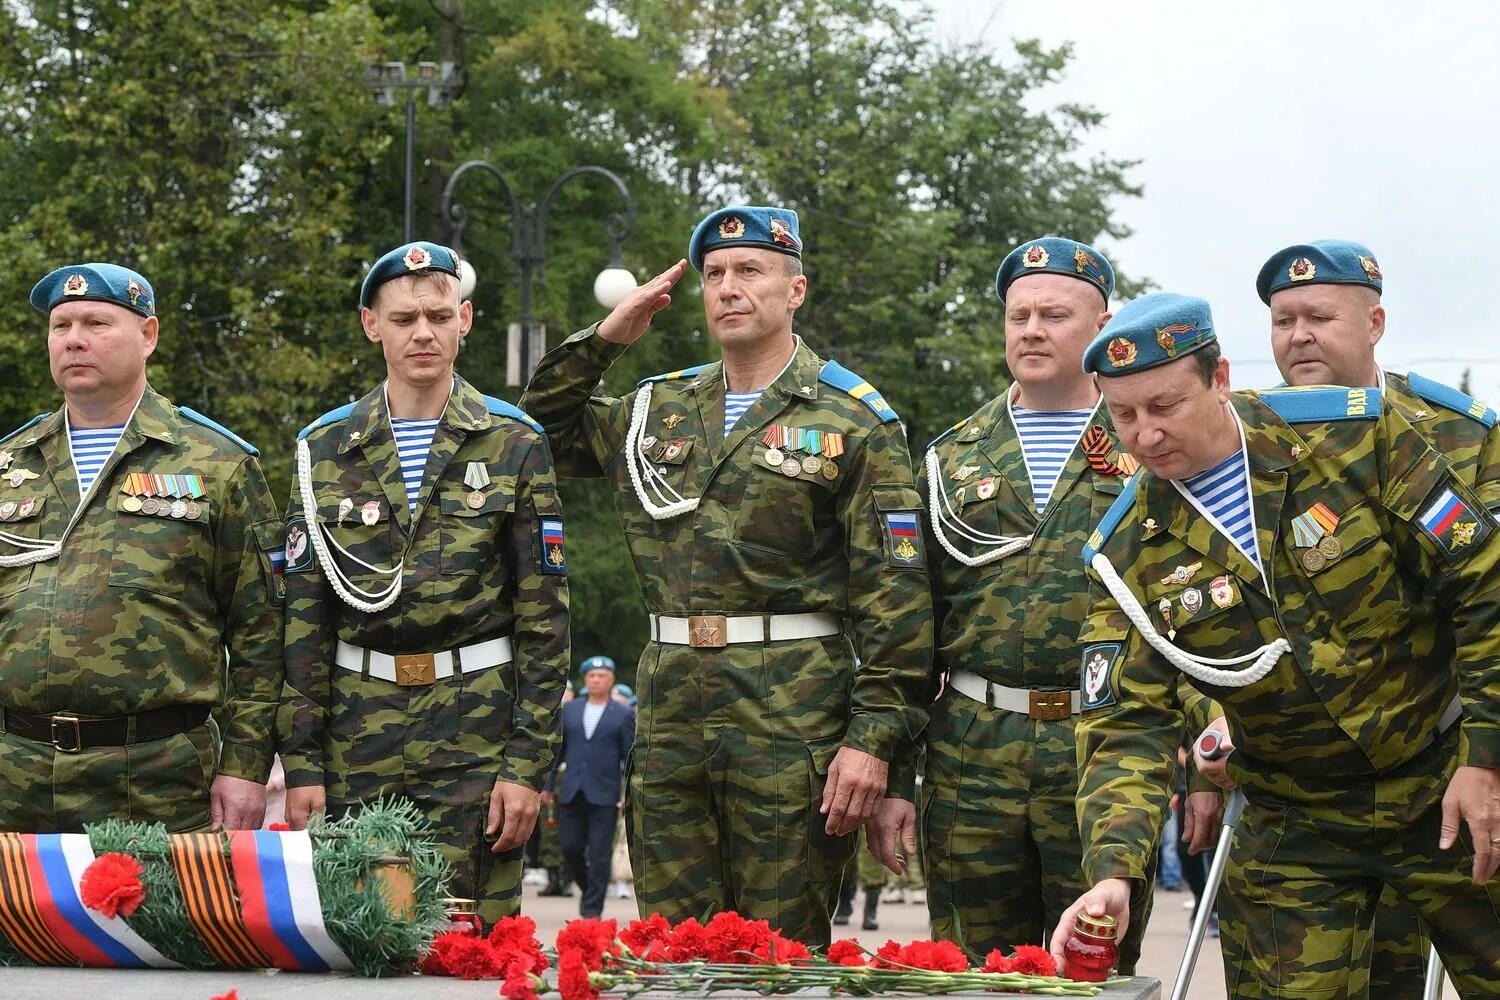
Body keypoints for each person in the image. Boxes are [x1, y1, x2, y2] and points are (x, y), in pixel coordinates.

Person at [1050, 292, 1500, 997]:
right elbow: (1123, 723)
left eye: (1164, 405)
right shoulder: (1127, 549)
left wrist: (1487, 758)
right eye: (1124, 414)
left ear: (1220, 377)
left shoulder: (1356, 441)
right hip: (1296, 818)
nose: (1145, 434)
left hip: (1443, 776)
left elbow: (1483, 584)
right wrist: (1113, 870)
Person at [519, 206, 933, 946]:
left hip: (793, 710)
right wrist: (608, 338)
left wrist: (873, 739)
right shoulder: (657, 409)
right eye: (714, 275)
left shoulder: (855, 417)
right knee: (675, 951)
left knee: (778, 955)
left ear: (795, 290)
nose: (729, 288)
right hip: (674, 703)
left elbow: (896, 604)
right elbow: (536, 433)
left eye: (750, 271)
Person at [1193, 240, 1500, 995]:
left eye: (1320, 316)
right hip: (1304, 794)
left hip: (1443, 772)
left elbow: (1488, 599)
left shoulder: (1459, 435)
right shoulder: (1243, 448)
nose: (1299, 335)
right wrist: (1217, 719)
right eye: (1282, 319)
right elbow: (1215, 606)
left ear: (1375, 323)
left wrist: (1485, 756)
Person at [277, 241, 570, 923]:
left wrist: (527, 765)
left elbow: (545, 620)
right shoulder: (322, 449)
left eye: (439, 316)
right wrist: (303, 763)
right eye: (404, 318)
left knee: (469, 939)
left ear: (465, 320)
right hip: (358, 735)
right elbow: (303, 621)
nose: (424, 333)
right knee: (359, 936)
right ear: (370, 325)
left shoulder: (513, 441)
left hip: (476, 730)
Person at [920, 237, 1155, 968]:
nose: (1031, 329)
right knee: (969, 971)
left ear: (1103, 324)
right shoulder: (951, 457)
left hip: (1102, 753)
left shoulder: (1147, 450)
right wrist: (894, 772)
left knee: (1093, 969)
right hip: (971, 751)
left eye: (1054, 314)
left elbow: (1190, 609)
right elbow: (906, 622)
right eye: (1018, 314)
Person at [0, 262, 283, 832]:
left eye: (97, 322)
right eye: (61, 326)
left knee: (150, 923)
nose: (75, 339)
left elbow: (264, 632)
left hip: (156, 782)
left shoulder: (216, 464)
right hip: (14, 780)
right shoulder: (10, 465)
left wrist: (247, 765)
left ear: (148, 335)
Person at [544, 654, 636, 918]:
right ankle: (589, 890)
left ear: (611, 679)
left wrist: (626, 793)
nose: (596, 680)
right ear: (585, 679)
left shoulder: (623, 714)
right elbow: (558, 752)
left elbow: (627, 756)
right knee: (570, 848)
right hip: (572, 790)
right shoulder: (570, 711)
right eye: (592, 676)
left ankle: (592, 910)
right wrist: (547, 786)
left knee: (598, 853)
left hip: (605, 794)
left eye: (602, 675)